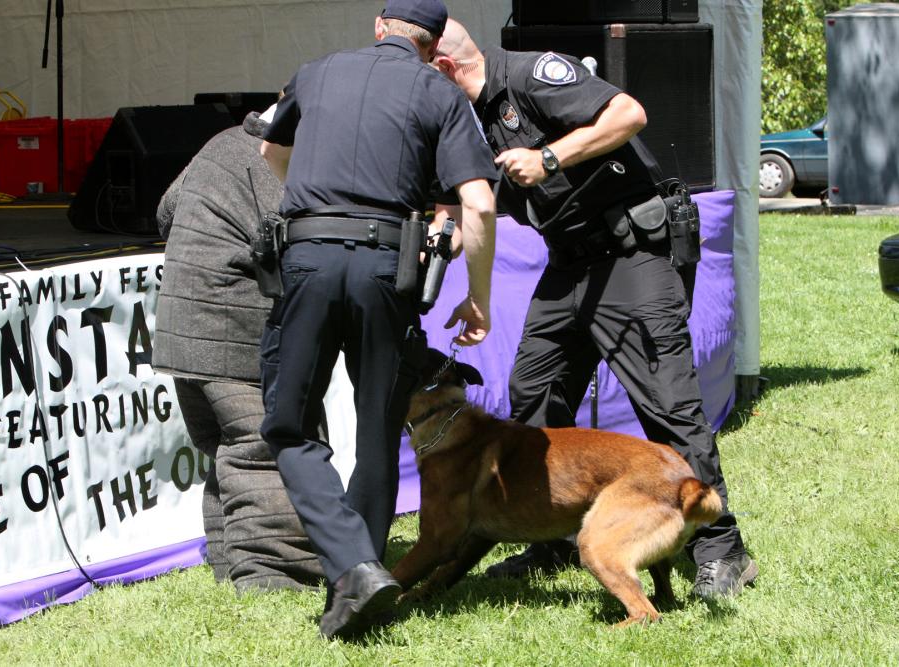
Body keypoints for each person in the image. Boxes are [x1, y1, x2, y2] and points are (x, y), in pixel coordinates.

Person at [431, 19, 757, 600]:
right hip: (569, 264)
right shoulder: (471, 120)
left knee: (669, 407)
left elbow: (628, 113)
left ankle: (722, 550)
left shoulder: (533, 74)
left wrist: (549, 157)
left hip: (631, 256)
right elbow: (469, 207)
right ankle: (550, 539)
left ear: (446, 67)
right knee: (534, 393)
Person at [258, 0, 497, 639]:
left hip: (307, 257)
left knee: (287, 424)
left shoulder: (314, 72)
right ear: (434, 44)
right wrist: (479, 297)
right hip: (386, 267)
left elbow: (270, 150)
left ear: (378, 27)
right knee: (378, 430)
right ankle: (360, 575)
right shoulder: (441, 94)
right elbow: (478, 202)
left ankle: (353, 570)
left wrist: (311, 201)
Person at [153, 108, 326, 593]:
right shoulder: (284, 161)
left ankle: (231, 566)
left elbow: (166, 210)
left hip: (180, 328)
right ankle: (274, 577)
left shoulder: (220, 142)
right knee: (263, 448)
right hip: (233, 326)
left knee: (230, 448)